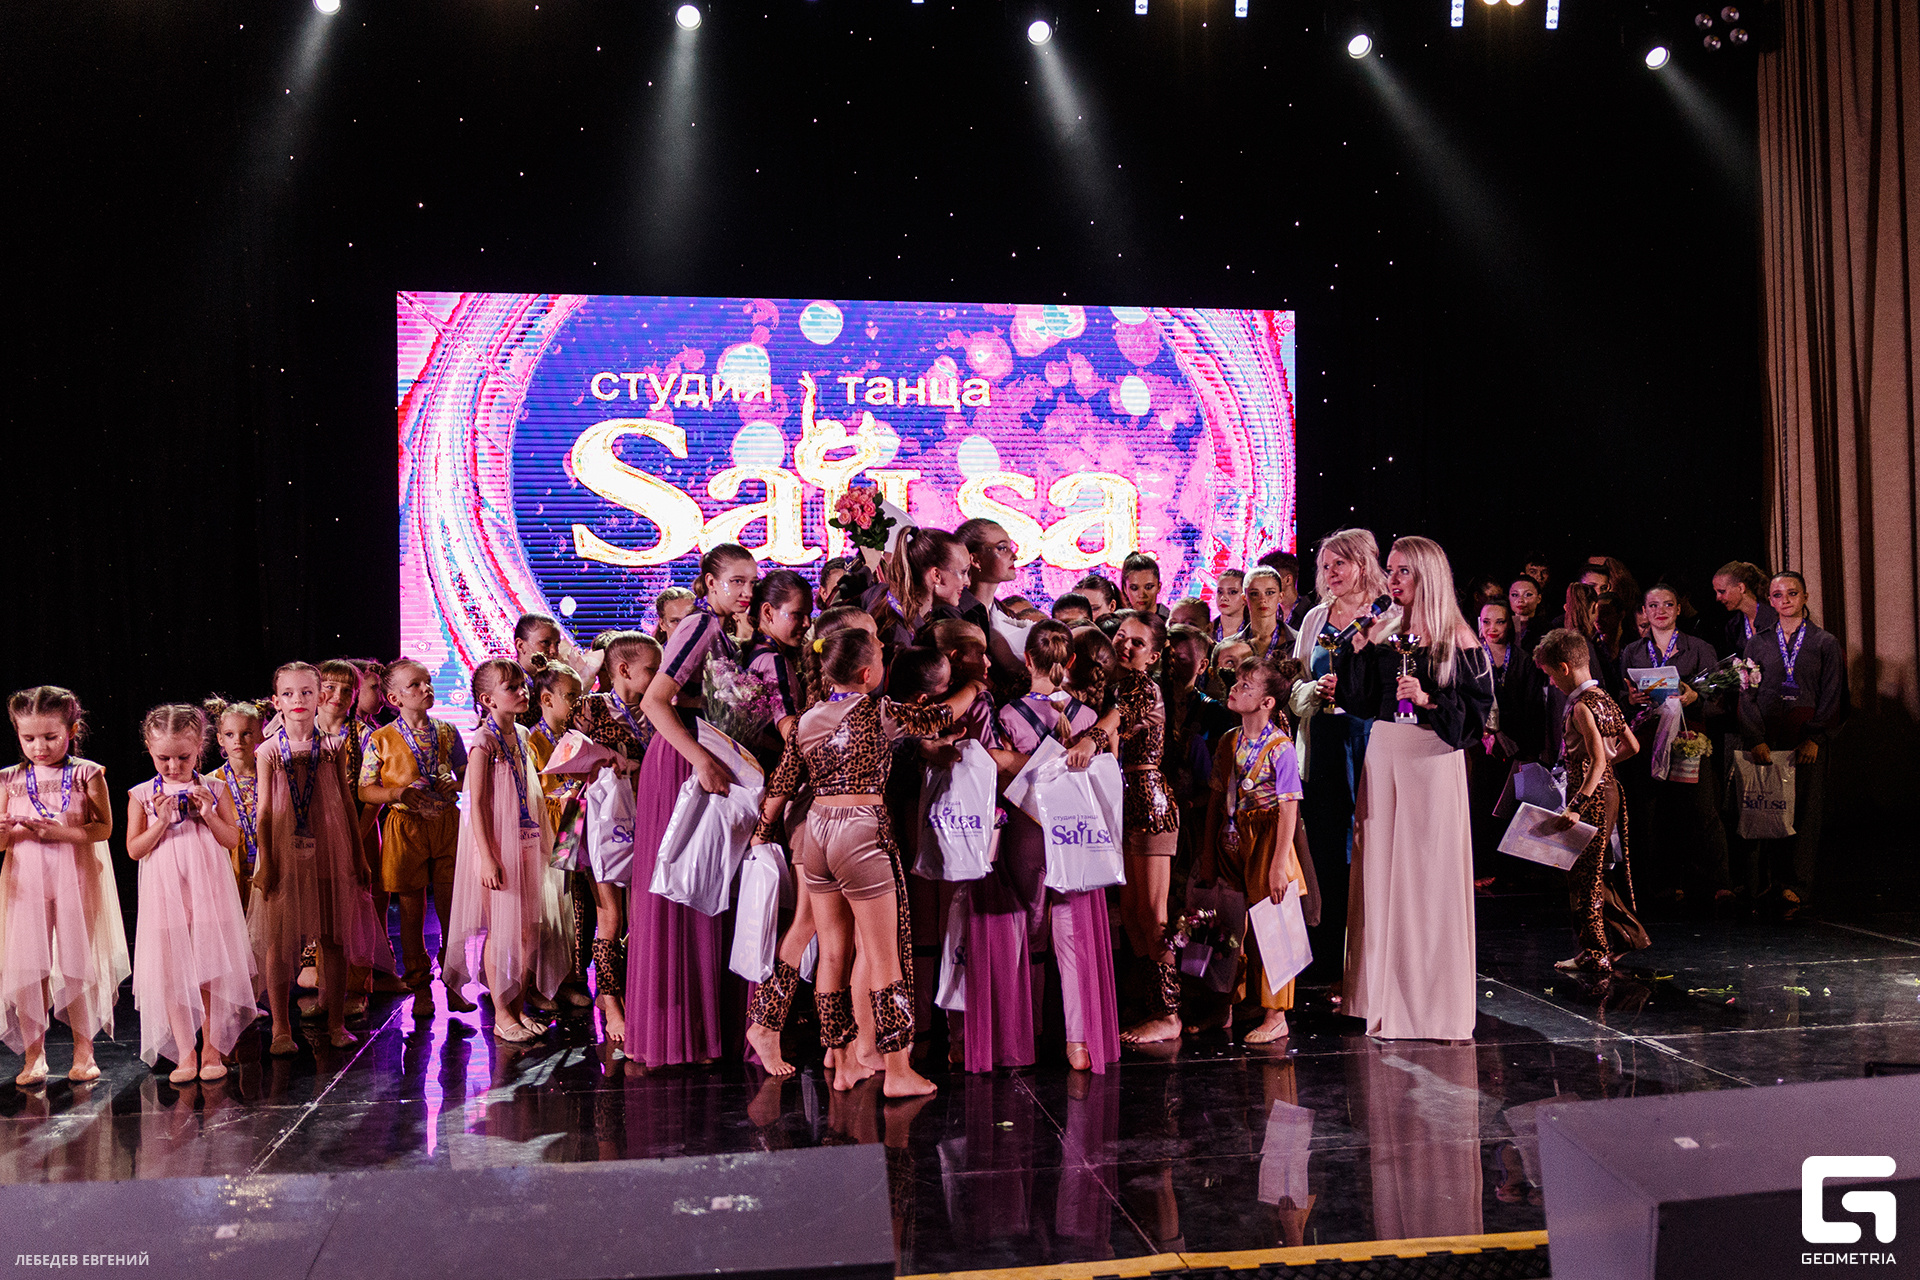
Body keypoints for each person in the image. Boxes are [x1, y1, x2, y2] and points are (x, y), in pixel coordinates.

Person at [764, 626, 986, 1096]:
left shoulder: (806, 719)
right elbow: (940, 714)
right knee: (886, 956)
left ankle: (843, 1061)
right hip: (861, 832)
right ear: (867, 674)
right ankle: (899, 1071)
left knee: (832, 953)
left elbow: (783, 782)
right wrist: (973, 687)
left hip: (817, 831)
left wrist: (762, 831)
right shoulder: (878, 712)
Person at [1330, 536, 1492, 1041]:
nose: (1393, 579)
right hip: (1384, 753)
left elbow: (1476, 719)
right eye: (1391, 570)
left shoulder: (1457, 638)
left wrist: (1427, 700)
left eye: (1403, 571)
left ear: (1427, 575)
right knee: (1378, 873)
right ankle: (1376, 996)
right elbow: (1362, 702)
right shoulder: (1384, 628)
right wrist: (1355, 653)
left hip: (1430, 758)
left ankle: (1428, 1004)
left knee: (1425, 875)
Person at [631, 544, 759, 1068]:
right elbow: (652, 701)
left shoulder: (722, 630)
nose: (746, 592)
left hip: (700, 756)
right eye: (736, 581)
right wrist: (701, 761)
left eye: (752, 582)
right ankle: (682, 1032)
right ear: (708, 581)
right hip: (682, 761)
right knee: (684, 885)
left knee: (704, 882)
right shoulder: (700, 625)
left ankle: (704, 1029)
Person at [746, 608, 883, 1077]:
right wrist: (764, 829)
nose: (878, 642)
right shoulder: (834, 709)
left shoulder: (832, 704)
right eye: (869, 636)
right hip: (818, 814)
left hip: (823, 817)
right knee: (815, 927)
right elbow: (788, 774)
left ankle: (839, 1046)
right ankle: (770, 1024)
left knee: (831, 936)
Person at [995, 621, 1120, 1072]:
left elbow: (1001, 777)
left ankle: (1026, 1033)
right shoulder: (1089, 719)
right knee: (1072, 938)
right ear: (1071, 662)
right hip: (1074, 834)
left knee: (1028, 934)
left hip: (1027, 831)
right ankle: (1078, 1043)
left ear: (1027, 659)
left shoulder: (1008, 715)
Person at [250, 663, 382, 1055]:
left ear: (319, 696)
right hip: (283, 849)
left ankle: (335, 1022)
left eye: (307, 692)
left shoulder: (333, 746)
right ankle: (281, 1027)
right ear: (276, 701)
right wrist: (267, 861)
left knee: (332, 937)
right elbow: (263, 812)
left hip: (328, 847)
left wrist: (358, 854)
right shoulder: (268, 751)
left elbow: (346, 802)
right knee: (280, 942)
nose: (298, 700)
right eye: (288, 693)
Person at [0, 687, 128, 1085]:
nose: (39, 747)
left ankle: (83, 1051)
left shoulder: (88, 773)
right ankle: (33, 1055)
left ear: (72, 730)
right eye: (29, 738)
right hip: (26, 881)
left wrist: (61, 832)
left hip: (75, 876)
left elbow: (103, 828)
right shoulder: (8, 778)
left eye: (50, 737)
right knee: (29, 966)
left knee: (76, 962)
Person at [1067, 611, 1183, 1044]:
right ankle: (1150, 1003)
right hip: (1126, 801)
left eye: (1137, 642)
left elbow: (1114, 720)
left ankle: (1169, 1014)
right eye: (1121, 636)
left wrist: (1089, 740)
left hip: (1150, 801)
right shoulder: (1117, 686)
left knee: (1153, 915)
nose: (1125, 645)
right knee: (1133, 916)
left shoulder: (1141, 686)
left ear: (1153, 656)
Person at [126, 704, 258, 1083]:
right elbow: (134, 849)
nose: (173, 766)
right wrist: (161, 822)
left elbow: (231, 839)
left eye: (183, 757)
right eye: (163, 758)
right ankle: (186, 1052)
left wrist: (209, 813)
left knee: (209, 970)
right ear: (150, 750)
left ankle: (212, 1048)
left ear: (200, 747)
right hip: (165, 892)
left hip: (207, 889)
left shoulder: (216, 788)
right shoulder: (141, 795)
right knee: (173, 973)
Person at [444, 660, 570, 1042]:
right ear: (487, 700)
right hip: (498, 846)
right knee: (502, 931)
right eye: (511, 687)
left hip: (527, 842)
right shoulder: (482, 743)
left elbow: (528, 789)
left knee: (530, 929)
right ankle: (501, 1013)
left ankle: (518, 1007)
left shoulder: (521, 734)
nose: (522, 692)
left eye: (522, 685)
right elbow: (477, 804)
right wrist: (487, 857)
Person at [1196, 658, 1316, 1044]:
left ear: (1267, 703)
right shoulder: (1229, 740)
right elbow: (1216, 800)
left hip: (1268, 837)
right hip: (1232, 836)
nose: (1234, 689)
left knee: (1274, 924)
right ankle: (1226, 1003)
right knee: (1229, 922)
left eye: (1246, 686)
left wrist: (1278, 864)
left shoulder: (1281, 748)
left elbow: (1289, 808)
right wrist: (1209, 853)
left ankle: (1275, 1014)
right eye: (1236, 682)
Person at [1288, 528, 1389, 986]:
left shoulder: (1386, 615)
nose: (1330, 574)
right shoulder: (1315, 618)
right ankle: (1329, 954)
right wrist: (1314, 690)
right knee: (1327, 848)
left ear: (1362, 564)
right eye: (1324, 566)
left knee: (1369, 846)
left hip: (1369, 740)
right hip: (1324, 742)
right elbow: (1294, 682)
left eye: (1339, 564)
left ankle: (1369, 957)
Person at [358, 658, 470, 1018]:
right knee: (411, 915)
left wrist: (458, 783)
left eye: (428, 681)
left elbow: (468, 774)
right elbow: (365, 789)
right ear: (394, 698)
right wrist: (398, 793)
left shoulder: (447, 731)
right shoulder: (381, 739)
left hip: (446, 824)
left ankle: (454, 983)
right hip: (405, 828)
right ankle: (420, 987)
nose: (426, 688)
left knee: (452, 913)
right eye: (415, 685)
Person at [1535, 629, 1651, 973]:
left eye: (1551, 675)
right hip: (1607, 791)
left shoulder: (1583, 706)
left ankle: (1595, 952)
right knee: (1592, 873)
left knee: (1585, 877)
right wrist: (1600, 767)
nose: (1552, 682)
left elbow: (1598, 760)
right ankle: (1628, 937)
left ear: (1564, 668)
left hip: (1592, 797)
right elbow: (1631, 746)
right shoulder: (1604, 697)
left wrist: (1577, 805)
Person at [569, 629, 662, 1053]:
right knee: (611, 918)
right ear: (623, 669)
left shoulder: (657, 710)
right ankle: (611, 1004)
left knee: (642, 917)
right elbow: (567, 762)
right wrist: (609, 761)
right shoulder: (590, 707)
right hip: (599, 823)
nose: (659, 676)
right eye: (652, 669)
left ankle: (637, 995)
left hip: (648, 819)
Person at [1739, 571, 1847, 919]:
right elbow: (1746, 692)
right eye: (1777, 595)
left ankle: (1797, 884)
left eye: (1792, 593)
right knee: (1765, 807)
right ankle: (1762, 881)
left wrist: (1816, 737)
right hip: (1769, 736)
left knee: (1804, 812)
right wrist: (1755, 738)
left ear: (1805, 597)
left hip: (1805, 738)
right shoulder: (1758, 643)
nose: (1784, 600)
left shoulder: (1824, 642)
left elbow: (1834, 695)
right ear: (1769, 600)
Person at [1619, 585, 1729, 910]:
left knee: (1701, 810)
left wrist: (1695, 698)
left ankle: (1716, 884)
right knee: (1652, 814)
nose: (1660, 611)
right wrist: (1631, 699)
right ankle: (1661, 885)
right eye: (1653, 605)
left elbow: (1719, 698)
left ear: (1679, 608)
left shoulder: (1699, 648)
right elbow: (1620, 696)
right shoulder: (1632, 652)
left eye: (1668, 604)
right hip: (1648, 740)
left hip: (1687, 739)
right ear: (1644, 610)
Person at [526, 660, 594, 1010]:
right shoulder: (532, 740)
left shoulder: (577, 738)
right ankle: (536, 983)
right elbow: (529, 791)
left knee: (572, 902)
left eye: (580, 696)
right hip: (546, 824)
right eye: (570, 696)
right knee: (545, 905)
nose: (577, 703)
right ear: (546, 699)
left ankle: (568, 978)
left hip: (574, 820)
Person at [743, 570, 814, 773]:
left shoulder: (752, 652)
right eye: (797, 614)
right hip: (774, 769)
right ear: (767, 612)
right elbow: (788, 726)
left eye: (809, 615)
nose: (807, 623)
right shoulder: (774, 661)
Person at [207, 698, 266, 909]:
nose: (238, 740)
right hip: (230, 868)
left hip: (266, 863)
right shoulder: (211, 781)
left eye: (246, 733)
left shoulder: (272, 776)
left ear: (260, 734)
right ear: (220, 739)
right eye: (230, 734)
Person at [1712, 561, 1777, 657]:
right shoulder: (1733, 627)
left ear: (1741, 587)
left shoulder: (1775, 616)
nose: (1718, 598)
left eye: (1722, 591)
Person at [1233, 566, 1295, 661]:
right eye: (1254, 593)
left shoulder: (1299, 641)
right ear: (1244, 599)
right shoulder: (1230, 646)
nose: (1262, 599)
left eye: (1270, 593)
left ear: (1280, 596)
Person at [1507, 574, 1549, 653]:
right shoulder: (1503, 625)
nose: (1520, 600)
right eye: (1515, 595)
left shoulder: (1547, 630)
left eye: (1528, 595)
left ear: (1539, 598)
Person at [1121, 552, 1170, 619]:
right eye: (1134, 588)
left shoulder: (1173, 622)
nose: (1141, 595)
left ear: (1159, 587)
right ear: (1125, 589)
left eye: (1148, 587)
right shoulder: (1118, 623)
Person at [1213, 569, 1248, 641]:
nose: (1223, 598)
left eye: (1232, 592)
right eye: (1220, 592)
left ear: (1245, 597)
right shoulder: (1206, 632)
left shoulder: (1257, 633)